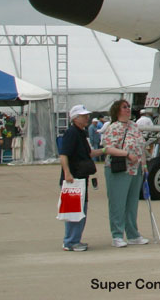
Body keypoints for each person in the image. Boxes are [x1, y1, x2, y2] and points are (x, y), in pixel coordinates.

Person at [59, 105, 107, 251]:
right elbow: (64, 154)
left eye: (87, 115)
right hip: (73, 178)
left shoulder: (81, 133)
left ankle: (74, 239)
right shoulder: (72, 133)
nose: (86, 118)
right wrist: (67, 172)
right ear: (75, 118)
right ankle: (70, 241)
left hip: (81, 177)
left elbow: (88, 153)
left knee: (80, 209)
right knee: (74, 210)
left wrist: (104, 150)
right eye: (83, 116)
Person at [102, 99, 149, 248]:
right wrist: (127, 154)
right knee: (118, 203)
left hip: (135, 170)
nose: (128, 109)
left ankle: (133, 233)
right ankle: (117, 234)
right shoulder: (113, 128)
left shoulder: (134, 126)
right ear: (117, 111)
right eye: (124, 107)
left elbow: (141, 146)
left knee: (132, 202)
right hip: (119, 169)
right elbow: (108, 148)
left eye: (128, 107)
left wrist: (144, 163)